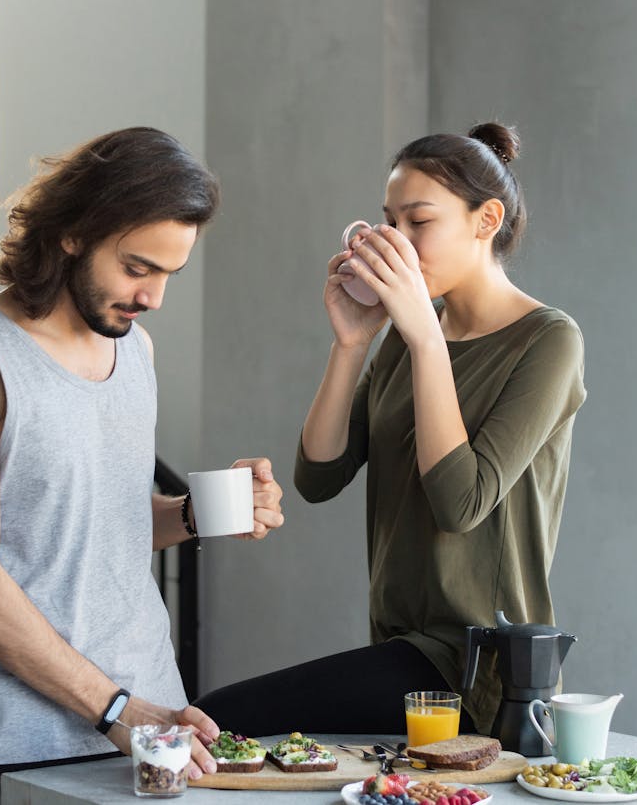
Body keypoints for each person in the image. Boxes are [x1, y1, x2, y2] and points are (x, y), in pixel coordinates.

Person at [0, 127, 285, 805]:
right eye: (137, 268)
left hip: (155, 735)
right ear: (73, 232)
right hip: (17, 746)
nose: (153, 296)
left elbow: (95, 522)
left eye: (168, 274)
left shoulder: (135, 351)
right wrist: (115, 710)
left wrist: (199, 515)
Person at [195, 123, 585, 738]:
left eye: (418, 222)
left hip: (479, 666)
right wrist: (351, 344)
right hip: (400, 645)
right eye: (389, 222)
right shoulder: (407, 334)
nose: (395, 242)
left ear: (486, 220)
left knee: (219, 719)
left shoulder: (547, 341)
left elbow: (461, 502)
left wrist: (425, 338)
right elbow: (319, 476)